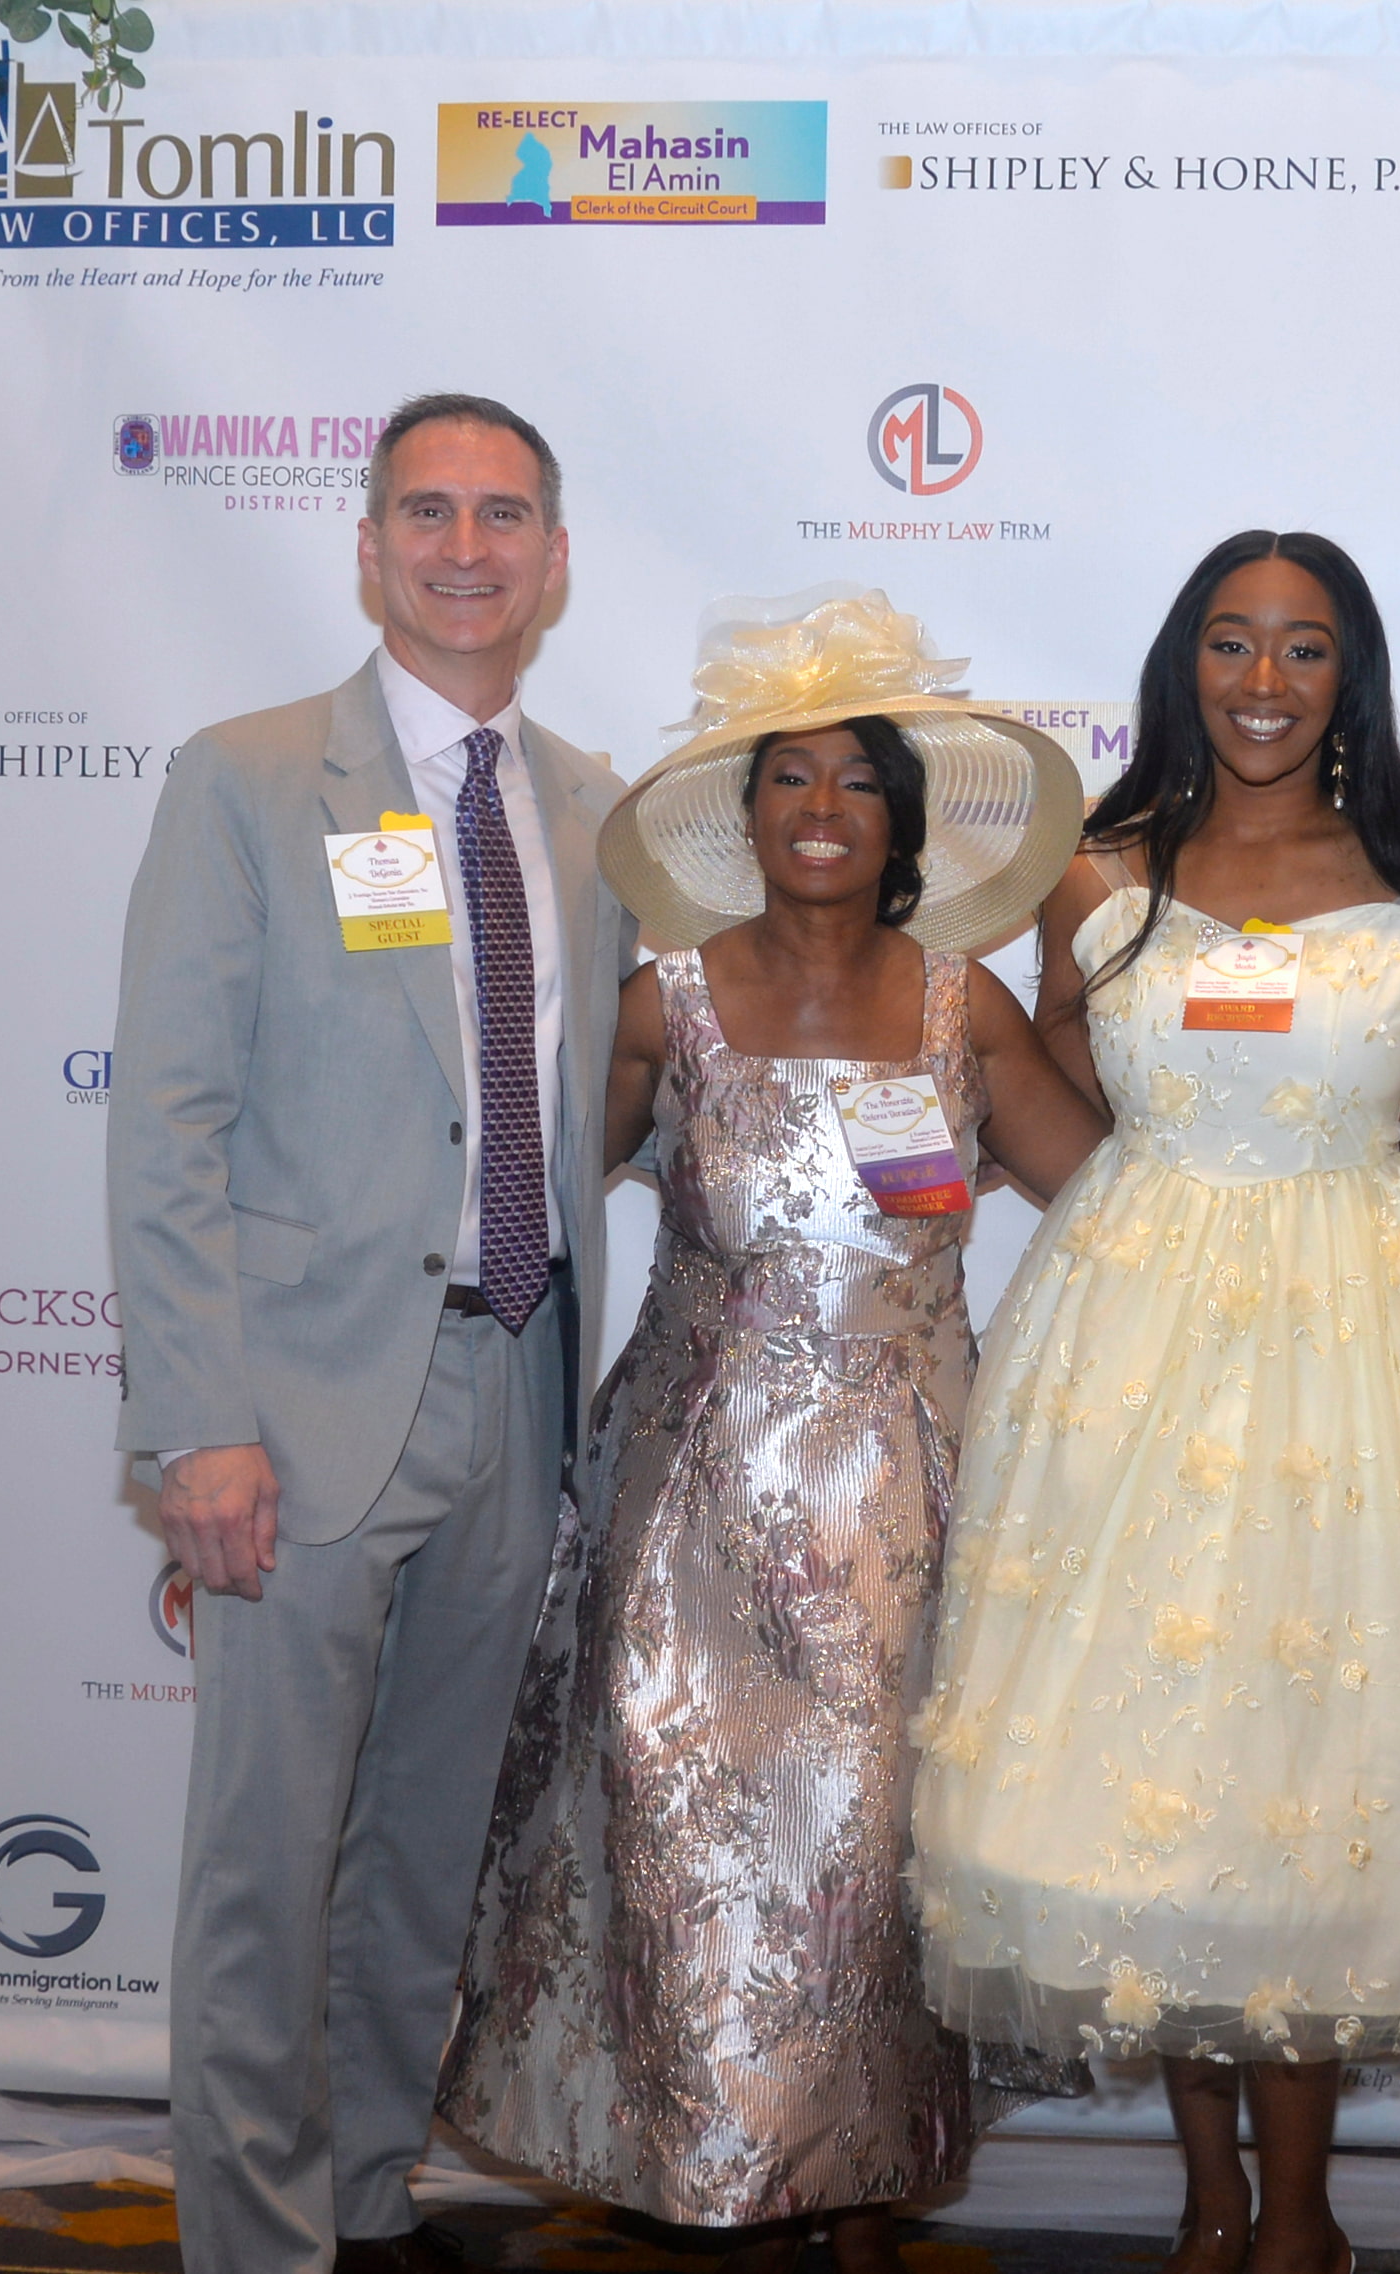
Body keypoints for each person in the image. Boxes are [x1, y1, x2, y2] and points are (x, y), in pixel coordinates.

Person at [438, 591, 1107, 2270]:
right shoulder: (665, 1003)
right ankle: (722, 2193)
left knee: (866, 1877)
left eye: (855, 783)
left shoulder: (969, 1009)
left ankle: (859, 2201)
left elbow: (1108, 1206)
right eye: (787, 779)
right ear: (746, 821)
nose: (819, 808)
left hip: (907, 1515)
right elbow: (517, 1203)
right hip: (688, 1514)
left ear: (903, 827)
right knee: (696, 1862)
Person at [911, 531, 1400, 2274]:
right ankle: (1208, 2199)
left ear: (1354, 675)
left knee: (1306, 1774)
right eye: (1233, 645)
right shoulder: (1093, 874)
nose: (1264, 682)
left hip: (1364, 1347)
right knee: (1145, 1773)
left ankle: (1306, 2212)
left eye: (1305, 649)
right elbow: (1055, 1095)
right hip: (1133, 1332)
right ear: (1184, 663)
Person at [107, 393, 631, 2274]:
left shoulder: (593, 807)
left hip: (516, 1392)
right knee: (265, 1881)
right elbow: (164, 1121)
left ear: (556, 561)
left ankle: (353, 2206)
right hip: (299, 1417)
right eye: (428, 512)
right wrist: (197, 1422)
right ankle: (251, 2251)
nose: (466, 547)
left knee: (418, 1873)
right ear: (368, 547)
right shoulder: (247, 781)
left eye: (505, 516)